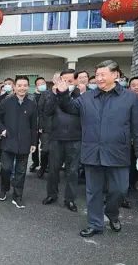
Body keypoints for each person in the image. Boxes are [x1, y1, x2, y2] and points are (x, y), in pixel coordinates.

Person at [56, 60, 138, 237]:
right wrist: (62, 94)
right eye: (96, 75)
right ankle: (95, 224)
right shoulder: (88, 97)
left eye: (102, 75)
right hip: (92, 152)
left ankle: (112, 213)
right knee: (93, 191)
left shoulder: (129, 98)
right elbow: (70, 108)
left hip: (118, 151)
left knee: (120, 189)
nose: (98, 78)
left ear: (116, 75)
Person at [0, 75, 38, 209]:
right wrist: (2, 129)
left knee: (21, 172)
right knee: (5, 169)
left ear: (28, 87)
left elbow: (34, 125)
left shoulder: (32, 104)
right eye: (19, 85)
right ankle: (4, 189)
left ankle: (18, 196)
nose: (22, 88)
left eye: (25, 85)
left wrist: (34, 143)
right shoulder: (7, 101)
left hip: (24, 143)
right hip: (8, 141)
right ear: (14, 87)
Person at [43, 70, 82, 212]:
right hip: (56, 138)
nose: (66, 84)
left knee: (72, 171)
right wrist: (54, 94)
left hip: (75, 139)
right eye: (63, 81)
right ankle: (52, 194)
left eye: (70, 81)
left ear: (76, 82)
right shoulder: (54, 95)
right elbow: (46, 112)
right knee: (53, 169)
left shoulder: (81, 96)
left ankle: (70, 199)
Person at [31, 77, 53, 177]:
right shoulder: (32, 96)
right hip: (34, 126)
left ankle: (44, 166)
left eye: (43, 83)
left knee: (45, 149)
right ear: (36, 86)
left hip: (45, 126)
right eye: (39, 84)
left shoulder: (50, 94)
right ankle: (35, 162)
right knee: (34, 146)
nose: (41, 85)